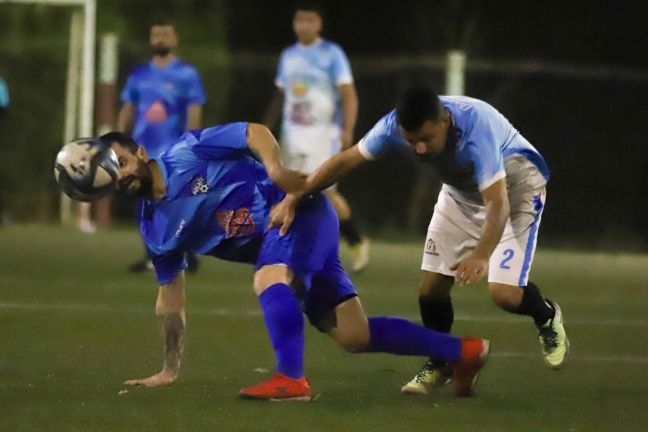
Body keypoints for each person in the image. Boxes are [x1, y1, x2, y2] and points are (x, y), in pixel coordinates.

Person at [99, 122, 490, 401]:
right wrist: (169, 369)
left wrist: (274, 170)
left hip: (299, 210)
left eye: (122, 162)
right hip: (293, 242)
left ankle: (291, 379)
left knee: (268, 278)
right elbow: (170, 299)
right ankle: (464, 352)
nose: (120, 176)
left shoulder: (189, 151)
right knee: (356, 336)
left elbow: (254, 131)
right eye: (110, 173)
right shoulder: (153, 226)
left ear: (141, 153)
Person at [270, 86, 569, 396]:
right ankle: (440, 363)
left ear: (445, 120)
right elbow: (346, 160)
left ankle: (546, 316)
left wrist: (481, 255)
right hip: (462, 193)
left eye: (426, 139)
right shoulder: (392, 127)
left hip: (517, 188)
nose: (420, 149)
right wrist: (297, 195)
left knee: (504, 294)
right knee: (431, 290)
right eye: (412, 141)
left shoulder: (476, 129)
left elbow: (498, 204)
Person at [263, 2, 370, 272]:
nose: (304, 25)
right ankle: (292, 250)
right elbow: (280, 95)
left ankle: (357, 241)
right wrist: (267, 127)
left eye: (310, 20)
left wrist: (348, 128)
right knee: (289, 192)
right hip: (292, 135)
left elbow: (348, 94)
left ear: (319, 24)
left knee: (324, 191)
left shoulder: (331, 54)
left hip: (322, 134)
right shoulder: (288, 55)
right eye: (300, 20)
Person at [117, 21, 206, 272]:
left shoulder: (186, 74)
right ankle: (152, 256)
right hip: (142, 152)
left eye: (165, 34)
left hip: (172, 151)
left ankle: (182, 252)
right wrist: (116, 141)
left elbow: (194, 111)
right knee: (144, 204)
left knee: (176, 202)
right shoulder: (139, 74)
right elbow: (127, 108)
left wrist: (192, 144)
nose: (160, 39)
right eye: (156, 34)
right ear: (150, 39)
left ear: (174, 39)